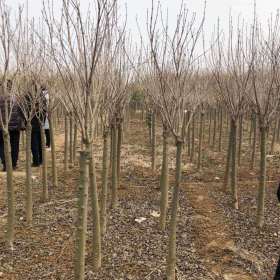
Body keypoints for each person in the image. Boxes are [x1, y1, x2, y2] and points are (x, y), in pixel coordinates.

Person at [0, 80, 24, 171]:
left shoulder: (0, 98)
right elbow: (22, 112)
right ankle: (13, 164)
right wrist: (22, 124)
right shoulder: (17, 97)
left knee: (2, 144)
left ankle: (6, 164)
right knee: (15, 145)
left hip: (3, 126)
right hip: (15, 126)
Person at [26, 83, 47, 167]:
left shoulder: (29, 97)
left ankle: (36, 161)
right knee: (40, 142)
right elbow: (45, 111)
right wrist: (43, 121)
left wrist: (27, 122)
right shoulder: (42, 97)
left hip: (33, 124)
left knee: (34, 143)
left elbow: (26, 110)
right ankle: (41, 160)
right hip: (40, 123)